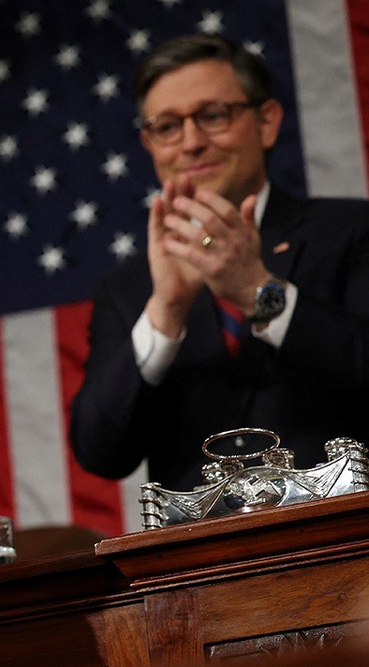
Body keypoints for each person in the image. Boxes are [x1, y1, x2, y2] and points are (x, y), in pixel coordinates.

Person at [70, 33, 369, 493]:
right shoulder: (129, 288)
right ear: (149, 144)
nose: (190, 143)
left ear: (266, 122)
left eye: (212, 117)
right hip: (201, 559)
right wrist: (165, 314)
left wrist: (260, 295)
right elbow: (99, 452)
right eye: (167, 126)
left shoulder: (350, 230)